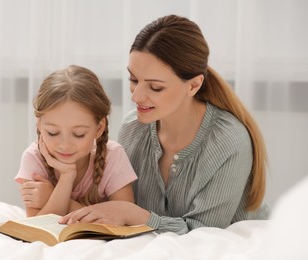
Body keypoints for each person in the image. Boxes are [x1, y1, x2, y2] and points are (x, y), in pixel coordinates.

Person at [59, 14, 269, 234]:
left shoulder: (228, 141)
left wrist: (134, 215)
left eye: (155, 87)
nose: (136, 96)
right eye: (133, 80)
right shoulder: (132, 129)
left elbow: (205, 232)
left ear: (193, 85)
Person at [16, 65, 137, 217]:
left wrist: (54, 195)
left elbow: (126, 220)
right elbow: (37, 227)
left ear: (99, 128)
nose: (65, 145)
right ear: (39, 125)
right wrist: (67, 177)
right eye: (53, 133)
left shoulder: (113, 156)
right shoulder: (33, 157)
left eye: (79, 134)